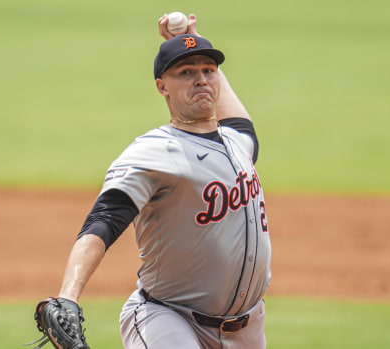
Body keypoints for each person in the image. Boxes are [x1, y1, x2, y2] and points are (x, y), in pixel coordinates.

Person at [56, 14, 271, 349]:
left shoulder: (236, 141)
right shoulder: (154, 152)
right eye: (186, 73)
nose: (201, 79)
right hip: (168, 318)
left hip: (247, 330)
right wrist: (68, 295)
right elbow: (104, 219)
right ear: (162, 86)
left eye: (207, 71)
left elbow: (243, 125)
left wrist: (194, 39)